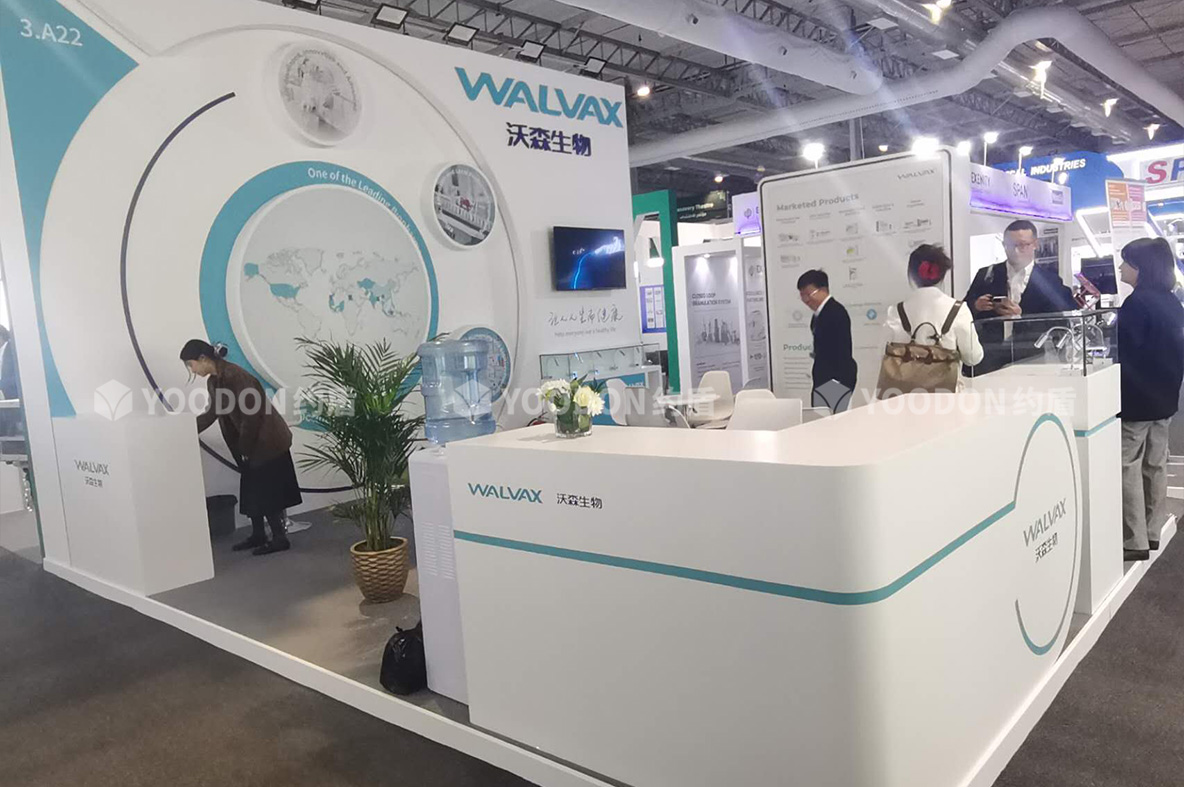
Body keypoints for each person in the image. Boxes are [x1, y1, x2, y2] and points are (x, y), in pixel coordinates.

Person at [180, 339, 301, 556]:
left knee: (267, 492)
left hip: (266, 442)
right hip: (250, 444)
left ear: (203, 358)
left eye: (191, 364)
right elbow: (212, 412)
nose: (192, 370)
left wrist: (244, 448)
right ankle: (258, 535)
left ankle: (279, 538)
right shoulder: (215, 381)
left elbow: (251, 416)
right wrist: (185, 431)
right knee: (253, 490)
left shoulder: (235, 376)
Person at [1116, 238, 1184, 562]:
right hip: (1165, 397)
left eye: (1125, 262)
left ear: (1140, 267)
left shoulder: (1136, 304)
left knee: (1127, 465)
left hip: (1136, 401)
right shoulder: (1173, 302)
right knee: (1156, 464)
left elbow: (1124, 354)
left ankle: (1134, 538)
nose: (1120, 268)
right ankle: (1152, 531)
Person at [964, 219, 1076, 374]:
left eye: (1023, 245)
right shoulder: (986, 275)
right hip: (988, 354)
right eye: (1010, 246)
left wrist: (1022, 317)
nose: (1016, 251)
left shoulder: (1050, 281)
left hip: (1030, 356)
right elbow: (963, 310)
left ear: (1035, 244)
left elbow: (1059, 321)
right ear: (1003, 245)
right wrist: (976, 306)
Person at [883, 244, 984, 387]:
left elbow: (883, 356)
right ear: (942, 275)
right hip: (947, 395)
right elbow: (973, 357)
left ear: (911, 274)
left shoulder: (895, 311)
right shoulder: (958, 310)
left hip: (904, 395)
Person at [798, 269, 857, 396]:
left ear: (823, 290)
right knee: (821, 408)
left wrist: (837, 384)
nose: (806, 300)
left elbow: (842, 352)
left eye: (808, 294)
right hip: (825, 378)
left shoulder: (835, 312)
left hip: (835, 379)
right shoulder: (819, 313)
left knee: (829, 409)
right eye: (802, 296)